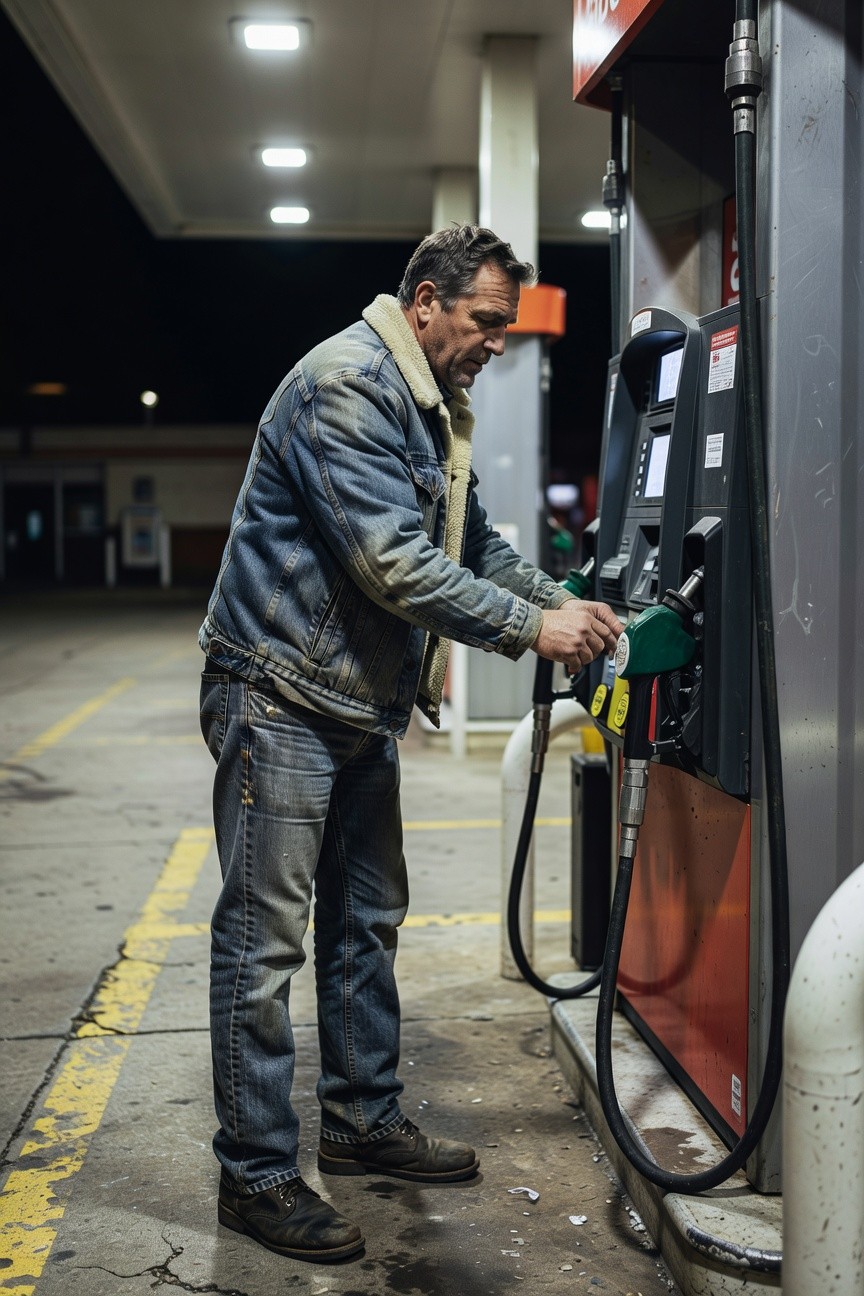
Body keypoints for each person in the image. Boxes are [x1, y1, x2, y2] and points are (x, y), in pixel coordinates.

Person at [198, 224, 622, 1264]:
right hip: (280, 691)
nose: (497, 344)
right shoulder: (345, 387)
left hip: (352, 703)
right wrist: (531, 630)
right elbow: (393, 562)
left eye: (506, 328)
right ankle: (255, 1174)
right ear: (426, 304)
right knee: (265, 945)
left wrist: (558, 598)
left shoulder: (430, 404)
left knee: (368, 919)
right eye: (486, 322)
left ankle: (358, 1123)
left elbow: (466, 540)